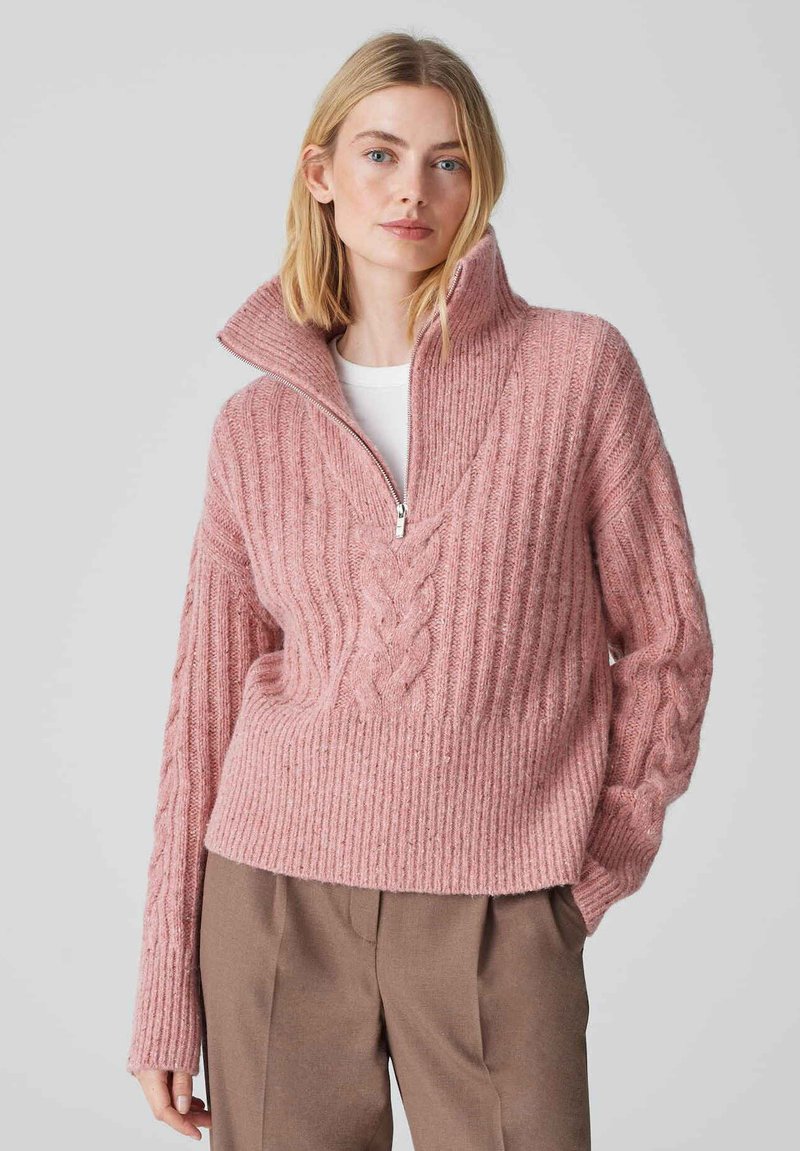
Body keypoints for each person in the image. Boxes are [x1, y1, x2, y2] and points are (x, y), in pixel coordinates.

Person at [126, 31, 714, 1150]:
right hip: (274, 899)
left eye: (448, 161)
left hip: (501, 904)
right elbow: (200, 712)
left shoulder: (577, 370)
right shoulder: (254, 426)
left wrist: (589, 872)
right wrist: (163, 982)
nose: (413, 190)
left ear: (478, 181)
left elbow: (667, 641)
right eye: (381, 154)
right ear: (321, 174)